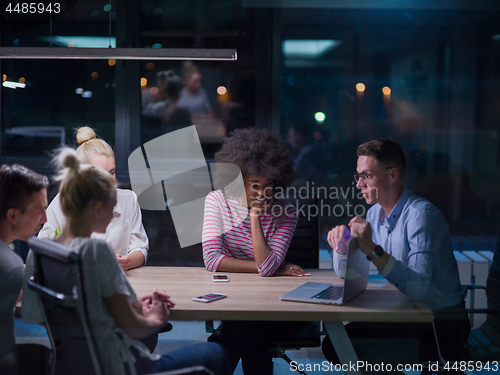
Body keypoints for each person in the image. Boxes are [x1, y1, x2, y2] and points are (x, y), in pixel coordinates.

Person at [22, 148, 230, 375]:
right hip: (119, 364)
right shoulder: (97, 251)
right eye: (112, 208)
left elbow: (34, 314)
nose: (114, 215)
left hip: (72, 365)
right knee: (217, 352)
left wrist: (123, 301)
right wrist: (156, 319)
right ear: (97, 208)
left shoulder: (38, 251)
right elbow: (136, 328)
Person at [323, 139, 470, 373]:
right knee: (334, 344)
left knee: (344, 347)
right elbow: (346, 274)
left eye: (367, 175)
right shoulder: (374, 214)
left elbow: (419, 289)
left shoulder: (422, 216)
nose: (359, 183)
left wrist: (371, 249)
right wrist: (341, 250)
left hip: (441, 323)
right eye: (357, 176)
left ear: (393, 175)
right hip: (408, 313)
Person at [202, 127, 311, 375]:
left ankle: (215, 364)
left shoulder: (287, 213)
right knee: (253, 336)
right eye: (254, 185)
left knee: (245, 331)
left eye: (269, 184)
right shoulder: (217, 201)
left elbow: (265, 268)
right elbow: (211, 259)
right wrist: (275, 268)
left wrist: (254, 217)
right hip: (233, 299)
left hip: (273, 303)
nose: (264, 193)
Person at [39, 126, 148, 272]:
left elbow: (140, 248)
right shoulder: (63, 202)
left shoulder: (127, 199)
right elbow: (44, 247)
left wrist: (126, 262)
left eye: (112, 172)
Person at [0, 164, 48, 374]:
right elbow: (33, 314)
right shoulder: (9, 266)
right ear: (12, 216)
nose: (45, 219)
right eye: (39, 211)